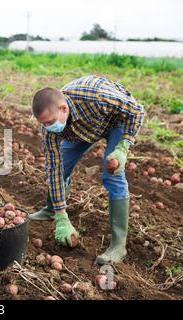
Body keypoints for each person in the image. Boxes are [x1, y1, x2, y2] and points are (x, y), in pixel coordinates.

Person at [29, 75, 145, 265]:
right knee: (61, 168)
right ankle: (53, 210)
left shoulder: (97, 97)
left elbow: (137, 110)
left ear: (63, 109)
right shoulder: (51, 128)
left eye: (50, 122)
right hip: (81, 128)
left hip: (115, 121)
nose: (48, 127)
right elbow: (54, 169)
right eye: (43, 124)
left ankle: (118, 245)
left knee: (112, 174)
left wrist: (124, 146)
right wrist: (62, 216)